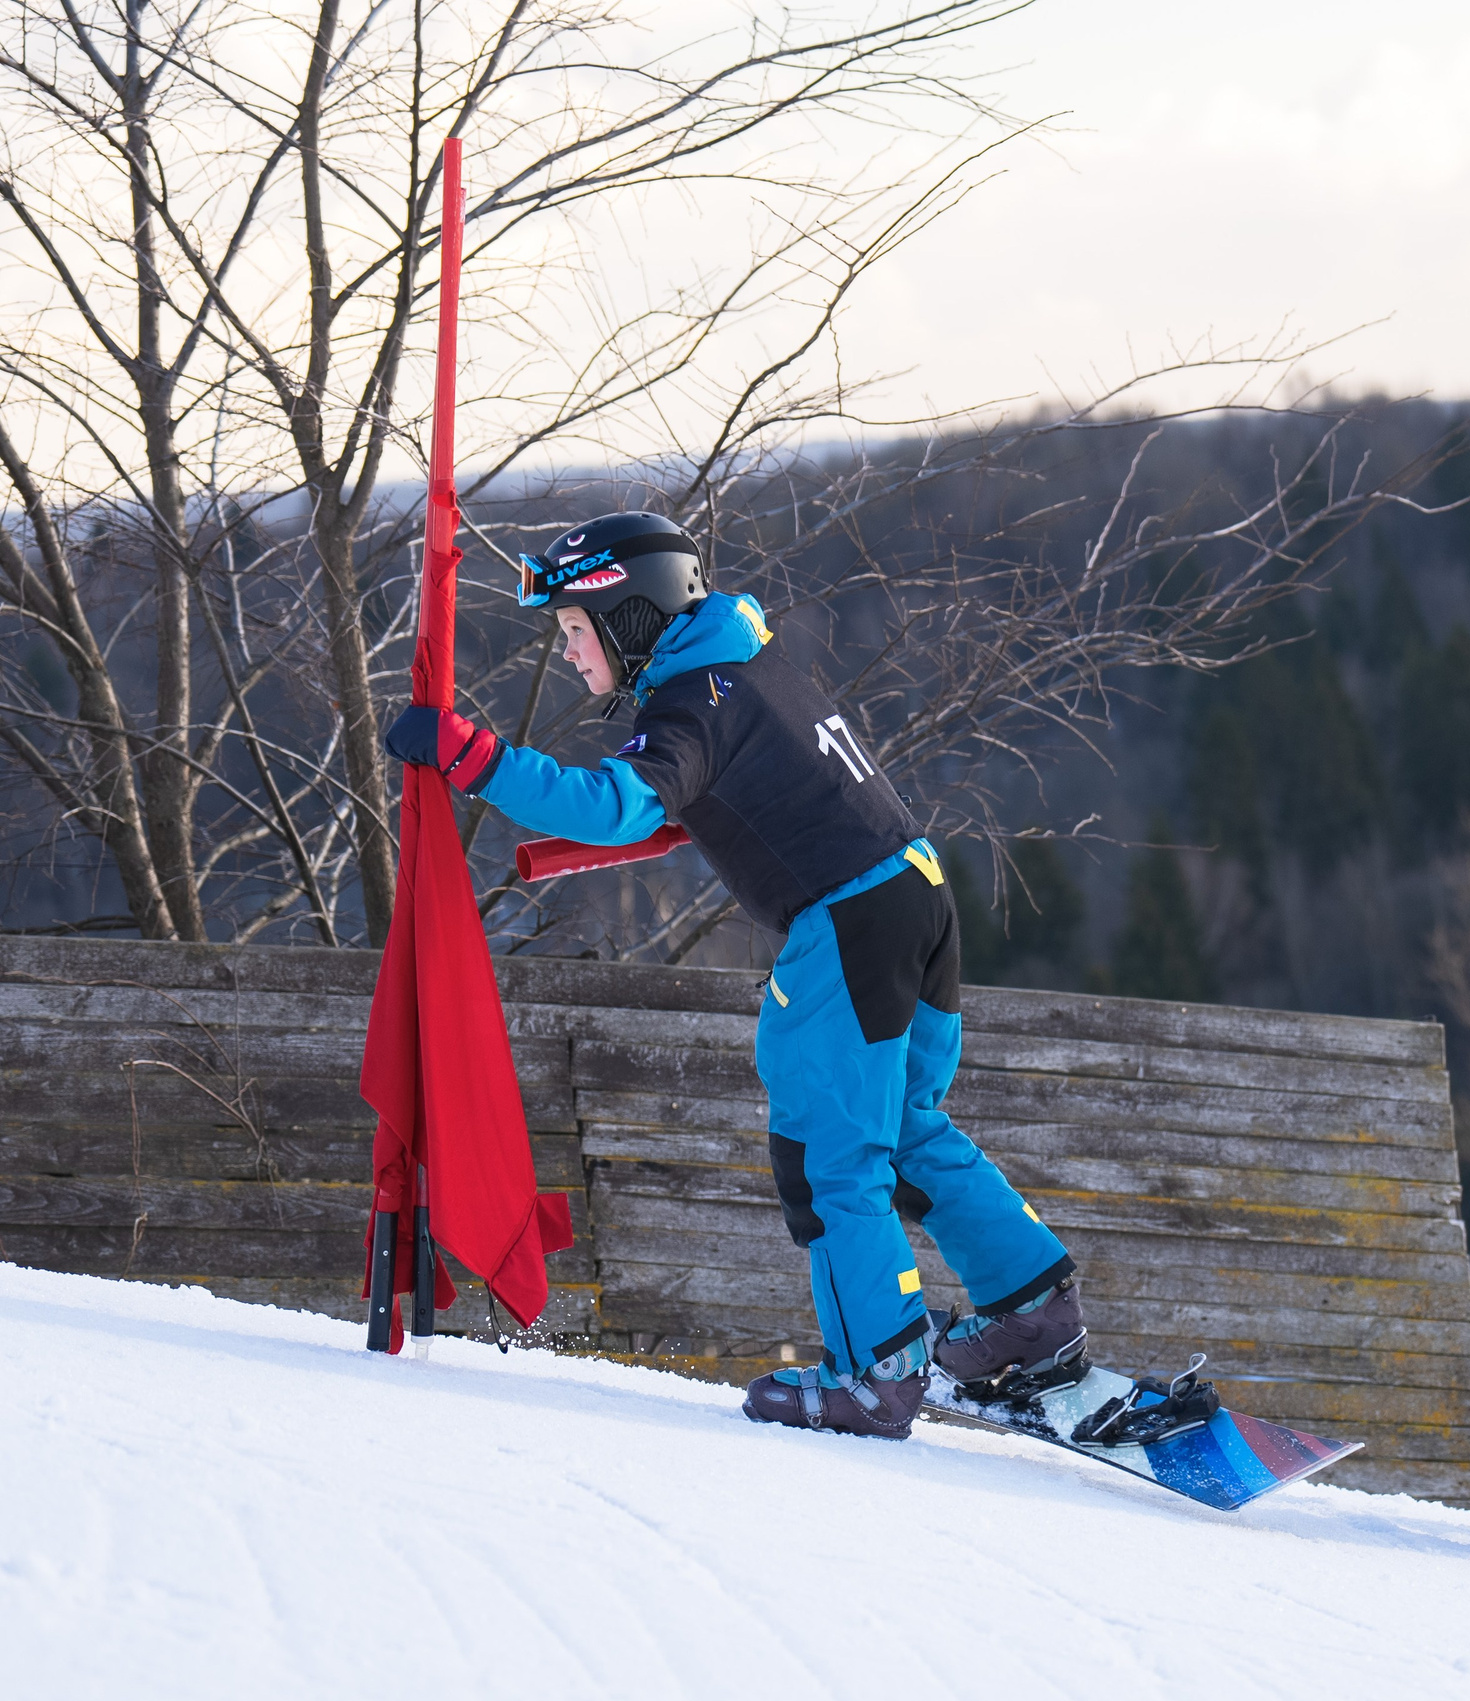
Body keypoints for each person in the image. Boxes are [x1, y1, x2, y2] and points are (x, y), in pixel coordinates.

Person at [382, 511, 1086, 1439]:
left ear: (628, 615)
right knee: (908, 1124)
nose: (571, 657)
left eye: (575, 632)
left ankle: (875, 1375)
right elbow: (732, 799)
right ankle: (1034, 1309)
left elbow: (622, 805)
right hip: (916, 891)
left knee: (829, 1154)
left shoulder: (690, 699)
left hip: (846, 921)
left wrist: (473, 756)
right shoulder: (752, 669)